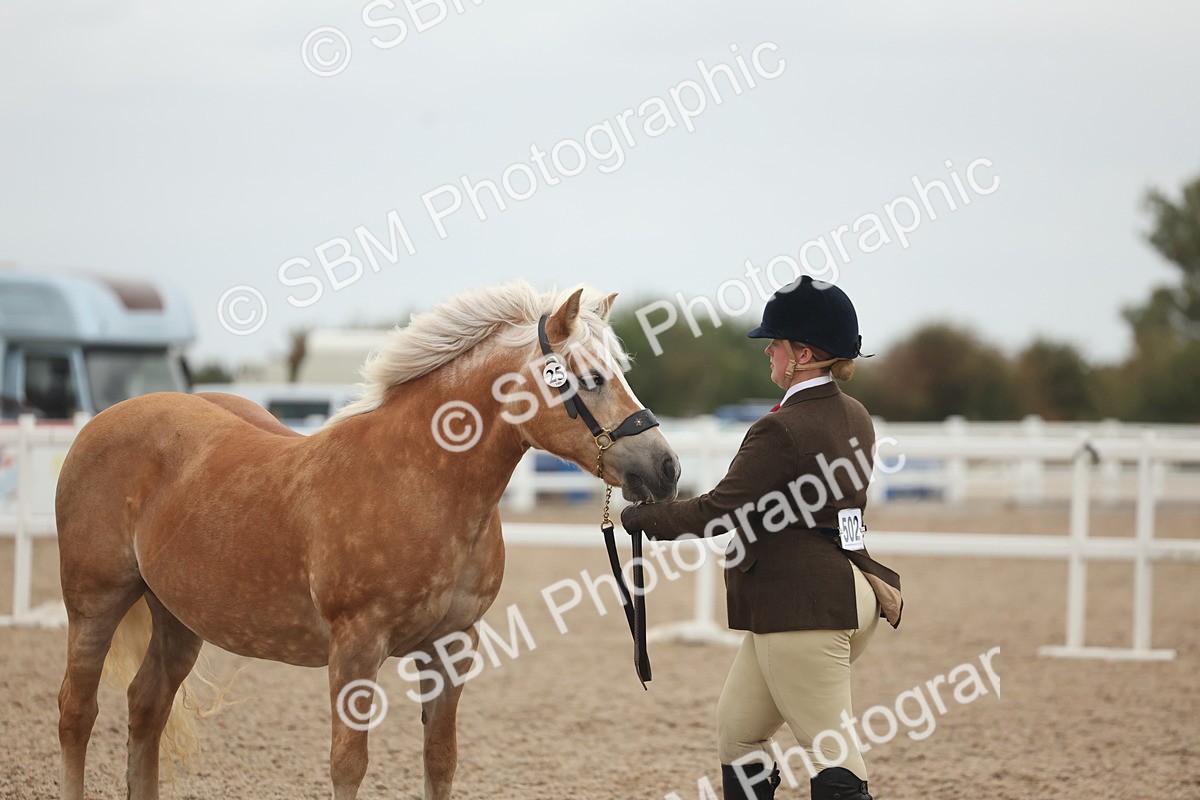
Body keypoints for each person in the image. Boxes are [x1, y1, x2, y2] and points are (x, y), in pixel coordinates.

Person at [621, 276, 902, 800]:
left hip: (802, 608)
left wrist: (642, 519)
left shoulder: (781, 429)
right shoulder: (855, 415)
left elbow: (719, 511)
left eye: (776, 342)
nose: (768, 350)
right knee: (739, 733)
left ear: (805, 355)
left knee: (832, 751)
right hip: (844, 593)